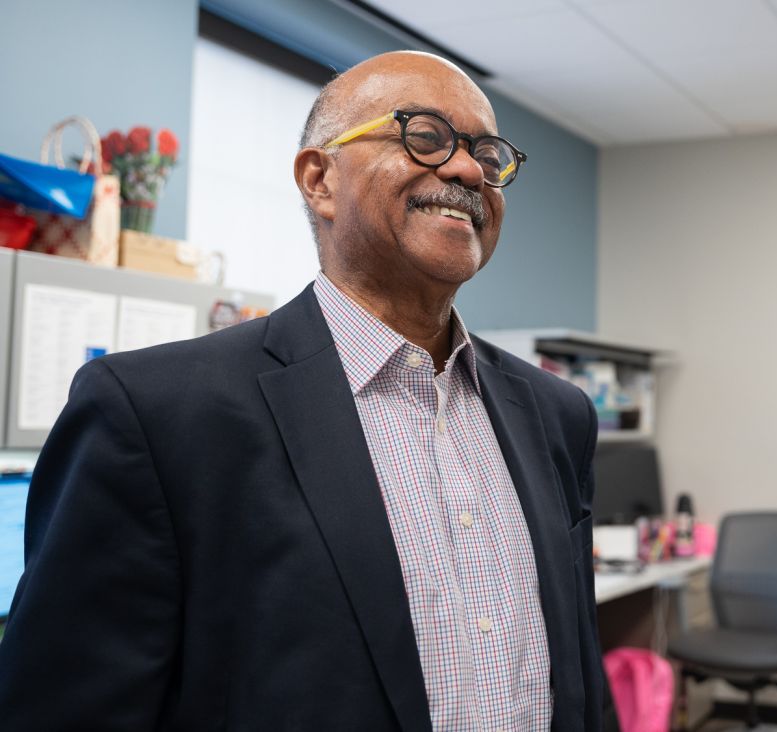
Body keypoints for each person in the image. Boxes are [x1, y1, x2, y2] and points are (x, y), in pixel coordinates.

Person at [0, 52, 605, 730]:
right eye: (426, 137)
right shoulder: (154, 414)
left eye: (489, 158)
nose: (468, 171)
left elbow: (579, 670)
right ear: (320, 179)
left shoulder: (558, 415)